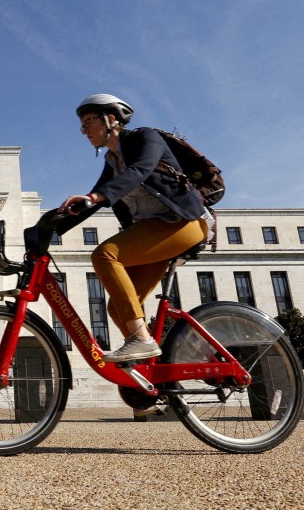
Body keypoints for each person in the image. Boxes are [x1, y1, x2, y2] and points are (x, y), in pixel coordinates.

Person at [56, 94, 212, 363]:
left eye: (89, 121)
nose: (84, 130)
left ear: (111, 119)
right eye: (82, 125)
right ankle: (159, 376)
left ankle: (140, 339)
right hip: (155, 231)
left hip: (185, 222)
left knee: (105, 254)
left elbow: (139, 170)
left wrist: (94, 198)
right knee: (118, 309)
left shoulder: (145, 137)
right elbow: (92, 202)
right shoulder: (112, 162)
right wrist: (43, 229)